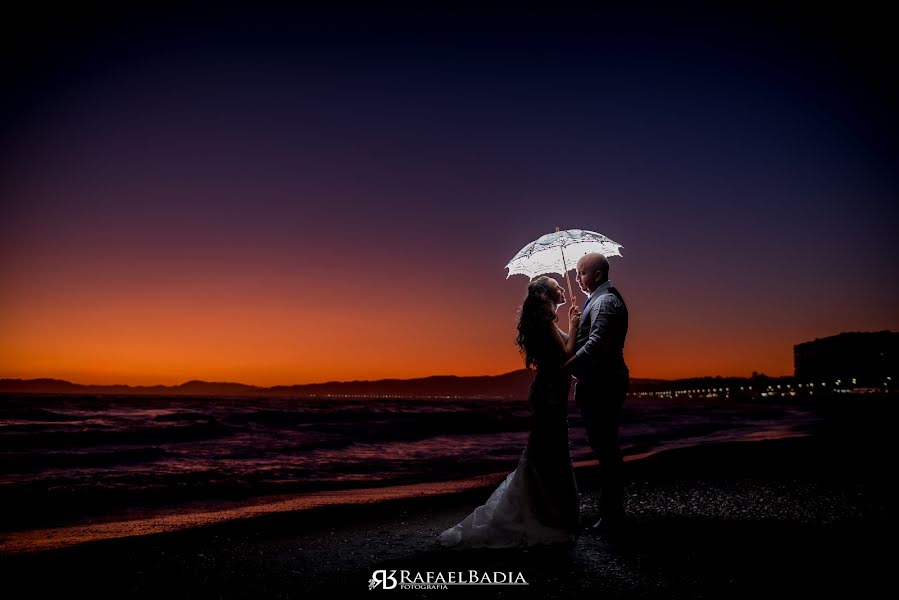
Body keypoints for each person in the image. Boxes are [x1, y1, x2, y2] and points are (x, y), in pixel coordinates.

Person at [436, 276, 581, 548]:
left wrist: (573, 326)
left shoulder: (547, 322)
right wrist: (573, 326)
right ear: (544, 296)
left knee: (548, 453)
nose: (562, 288)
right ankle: (548, 515)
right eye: (556, 287)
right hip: (549, 397)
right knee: (550, 453)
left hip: (552, 395)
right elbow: (566, 358)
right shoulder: (545, 323)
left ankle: (550, 511)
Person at [563, 253, 629, 533]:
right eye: (576, 274)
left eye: (581, 273)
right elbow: (588, 339)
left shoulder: (605, 302)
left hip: (603, 385)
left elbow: (597, 344)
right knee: (605, 447)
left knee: (606, 449)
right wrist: (575, 325)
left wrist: (564, 367)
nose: (577, 279)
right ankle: (612, 512)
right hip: (599, 383)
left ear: (598, 275)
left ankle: (612, 515)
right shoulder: (597, 301)